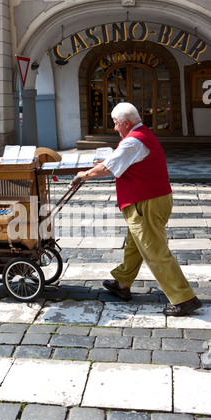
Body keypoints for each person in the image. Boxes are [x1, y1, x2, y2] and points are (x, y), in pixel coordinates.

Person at [73, 102, 202, 317]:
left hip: (147, 201)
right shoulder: (141, 134)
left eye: (115, 124)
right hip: (150, 199)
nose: (114, 128)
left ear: (125, 122)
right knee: (135, 244)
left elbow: (107, 168)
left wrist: (83, 175)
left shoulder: (133, 141)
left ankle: (184, 298)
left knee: (155, 251)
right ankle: (122, 283)